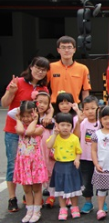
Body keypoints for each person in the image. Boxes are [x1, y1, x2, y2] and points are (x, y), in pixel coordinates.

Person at [1, 56, 50, 212]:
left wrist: (50, 114)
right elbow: (4, 103)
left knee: (32, 164)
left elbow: (47, 106)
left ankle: (28, 195)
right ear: (31, 67)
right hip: (14, 131)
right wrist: (11, 92)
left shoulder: (44, 89)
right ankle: (12, 198)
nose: (40, 72)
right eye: (38, 68)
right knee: (13, 164)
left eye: (44, 70)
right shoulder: (18, 82)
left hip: (34, 133)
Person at [10, 101, 47, 223]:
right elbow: (21, 131)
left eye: (29, 116)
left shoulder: (39, 128)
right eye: (24, 116)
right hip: (23, 162)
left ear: (34, 114)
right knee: (26, 190)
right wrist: (18, 119)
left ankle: (37, 211)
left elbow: (30, 132)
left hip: (35, 162)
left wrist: (35, 120)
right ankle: (29, 210)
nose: (26, 119)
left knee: (36, 189)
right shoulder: (19, 125)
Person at [46, 112, 83, 221]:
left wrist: (77, 159)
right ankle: (62, 208)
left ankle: (74, 207)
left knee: (74, 188)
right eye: (62, 125)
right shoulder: (56, 137)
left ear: (71, 126)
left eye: (68, 125)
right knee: (60, 189)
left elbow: (78, 151)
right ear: (57, 125)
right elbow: (49, 145)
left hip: (72, 166)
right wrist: (54, 134)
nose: (65, 128)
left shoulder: (74, 138)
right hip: (59, 166)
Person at [78, 95, 107, 214]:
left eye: (93, 108)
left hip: (100, 158)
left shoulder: (102, 123)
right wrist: (78, 122)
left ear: (98, 109)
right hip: (85, 158)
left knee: (102, 182)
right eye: (87, 109)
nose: (90, 111)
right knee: (86, 182)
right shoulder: (82, 122)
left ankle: (103, 202)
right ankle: (88, 202)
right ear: (83, 110)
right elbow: (76, 136)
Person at [48, 36, 91, 105]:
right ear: (58, 50)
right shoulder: (51, 67)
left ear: (74, 49)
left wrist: (85, 108)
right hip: (55, 105)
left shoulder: (83, 69)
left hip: (74, 105)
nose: (66, 50)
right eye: (63, 47)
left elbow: (85, 92)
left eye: (69, 47)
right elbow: (44, 88)